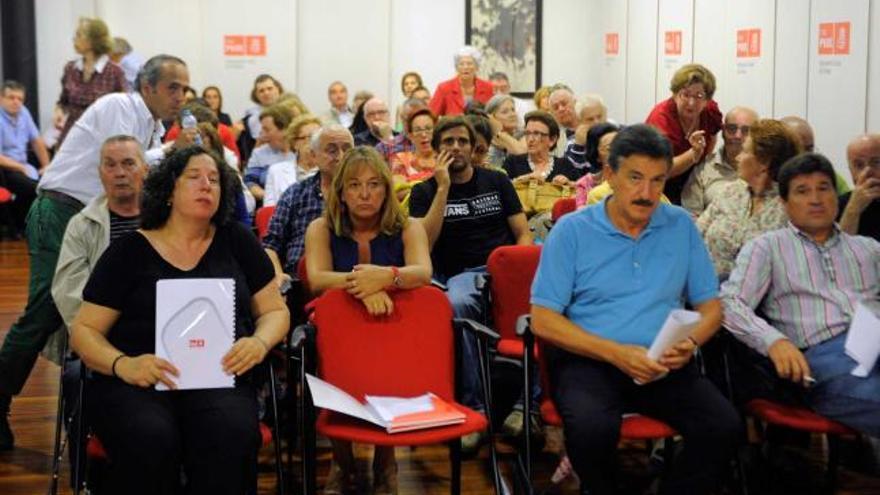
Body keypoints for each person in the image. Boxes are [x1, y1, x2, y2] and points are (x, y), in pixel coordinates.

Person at [530, 124, 741, 495]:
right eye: (635, 178)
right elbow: (544, 320)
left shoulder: (680, 226)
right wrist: (616, 353)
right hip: (592, 360)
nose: (647, 194)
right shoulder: (572, 231)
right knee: (592, 432)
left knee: (724, 427)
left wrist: (689, 344)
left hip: (664, 360)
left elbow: (711, 308)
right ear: (609, 175)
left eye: (658, 181)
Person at [0, 54, 195, 450]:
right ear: (147, 87)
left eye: (185, 88)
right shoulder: (119, 106)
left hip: (97, 216)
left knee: (106, 304)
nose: (181, 96)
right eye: (173, 87)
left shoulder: (153, 126)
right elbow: (125, 159)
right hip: (61, 210)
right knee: (44, 310)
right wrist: (174, 151)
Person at [69, 146, 288, 494]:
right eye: (195, 177)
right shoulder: (129, 252)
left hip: (219, 375)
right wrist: (123, 364)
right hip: (138, 380)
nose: (207, 185)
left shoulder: (238, 241)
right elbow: (84, 331)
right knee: (149, 435)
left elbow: (275, 311)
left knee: (230, 432)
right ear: (169, 190)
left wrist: (259, 342)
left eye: (215, 179)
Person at [722, 152, 880, 439]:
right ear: (784, 203)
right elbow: (730, 303)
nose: (816, 199)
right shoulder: (767, 247)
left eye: (824, 188)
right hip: (823, 359)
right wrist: (773, 341)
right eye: (802, 191)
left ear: (837, 193)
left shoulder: (868, 249)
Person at [304, 146, 431, 494]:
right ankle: (341, 460)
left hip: (391, 324)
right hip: (336, 327)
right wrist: (367, 285)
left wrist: (387, 276)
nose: (364, 193)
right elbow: (317, 278)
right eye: (355, 185)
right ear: (341, 191)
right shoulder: (321, 226)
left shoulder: (408, 226)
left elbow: (423, 272)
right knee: (324, 352)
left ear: (387, 190)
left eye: (374, 184)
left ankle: (385, 461)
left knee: (388, 352)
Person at [409, 116, 531, 452]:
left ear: (473, 145)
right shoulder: (425, 191)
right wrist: (444, 187)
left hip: (501, 267)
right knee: (457, 303)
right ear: (436, 150)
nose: (456, 147)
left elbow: (522, 233)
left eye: (462, 141)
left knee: (545, 300)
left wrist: (521, 272)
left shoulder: (497, 181)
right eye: (448, 142)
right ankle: (474, 409)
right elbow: (426, 243)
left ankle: (526, 407)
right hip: (455, 274)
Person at [49, 136, 147, 478]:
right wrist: (104, 332)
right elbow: (67, 288)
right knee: (77, 376)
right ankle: (86, 471)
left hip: (157, 335)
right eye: (110, 164)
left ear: (144, 170)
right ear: (100, 173)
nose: (119, 173)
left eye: (128, 163)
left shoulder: (165, 219)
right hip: (99, 338)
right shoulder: (83, 223)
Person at [697, 119, 801, 278]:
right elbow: (695, 236)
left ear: (764, 162)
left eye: (745, 151)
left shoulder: (789, 207)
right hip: (704, 291)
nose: (738, 157)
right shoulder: (730, 191)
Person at [263, 125, 354, 284]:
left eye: (347, 150)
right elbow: (270, 245)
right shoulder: (295, 194)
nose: (341, 157)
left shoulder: (366, 195)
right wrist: (278, 276)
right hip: (298, 281)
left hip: (352, 279)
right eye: (331, 151)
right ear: (313, 155)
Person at [645, 63, 723, 205]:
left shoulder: (710, 111)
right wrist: (693, 154)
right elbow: (659, 170)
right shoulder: (661, 119)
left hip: (694, 182)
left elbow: (712, 135)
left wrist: (700, 166)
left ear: (707, 100)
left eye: (699, 96)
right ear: (674, 95)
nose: (691, 103)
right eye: (685, 94)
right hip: (660, 186)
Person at [57, 17, 129, 147]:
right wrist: (58, 112)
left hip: (101, 140)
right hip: (71, 137)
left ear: (93, 41)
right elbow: (63, 102)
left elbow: (124, 111)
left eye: (79, 35)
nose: (74, 39)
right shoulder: (70, 68)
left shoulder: (114, 72)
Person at [682, 106, 759, 216]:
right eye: (732, 128)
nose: (737, 136)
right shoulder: (703, 170)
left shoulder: (764, 171)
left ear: (756, 135)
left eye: (746, 130)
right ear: (723, 131)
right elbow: (690, 216)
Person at [0, 81, 49, 235]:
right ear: (1, 98)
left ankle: (24, 225)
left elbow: (37, 141)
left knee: (47, 184)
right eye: (11, 97)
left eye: (20, 99)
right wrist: (21, 168)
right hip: (6, 168)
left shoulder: (24, 113)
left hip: (23, 166)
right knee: (34, 188)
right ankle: (21, 226)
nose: (16, 102)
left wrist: (47, 166)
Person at [504, 110, 581, 187]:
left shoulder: (565, 165)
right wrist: (523, 179)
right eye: (527, 133)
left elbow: (583, 191)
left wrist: (569, 184)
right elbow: (499, 189)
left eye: (536, 133)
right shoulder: (512, 162)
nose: (530, 139)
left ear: (552, 140)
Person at [263, 114, 322, 207]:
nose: (315, 143)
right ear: (295, 143)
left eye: (319, 138)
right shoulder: (276, 171)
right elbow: (269, 210)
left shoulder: (330, 171)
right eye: (310, 137)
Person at [244, 104, 296, 201]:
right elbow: (250, 182)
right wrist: (269, 196)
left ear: (284, 130)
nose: (262, 134)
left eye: (267, 129)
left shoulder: (302, 152)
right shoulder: (259, 153)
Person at [429, 46, 494, 116]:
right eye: (461, 64)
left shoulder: (488, 87)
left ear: (477, 67)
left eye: (469, 64)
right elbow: (432, 115)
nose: (465, 67)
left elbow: (493, 114)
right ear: (456, 68)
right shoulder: (444, 88)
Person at [838, 134, 880, 240]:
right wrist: (853, 210)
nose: (867, 172)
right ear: (850, 170)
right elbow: (838, 252)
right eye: (859, 165)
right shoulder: (838, 205)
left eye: (876, 162)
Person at [389, 106, 437, 190]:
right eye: (418, 130)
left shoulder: (445, 158)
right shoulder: (401, 160)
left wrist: (411, 184)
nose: (424, 134)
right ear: (410, 135)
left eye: (428, 129)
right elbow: (397, 193)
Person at [239, 74, 283, 162]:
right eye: (261, 91)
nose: (266, 93)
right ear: (256, 95)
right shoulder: (251, 119)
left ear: (278, 89)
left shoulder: (291, 110)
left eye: (270, 88)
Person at [484, 94, 526, 169]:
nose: (512, 114)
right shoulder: (486, 140)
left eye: (513, 110)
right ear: (491, 118)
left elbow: (521, 154)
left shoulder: (524, 133)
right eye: (505, 112)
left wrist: (499, 132)